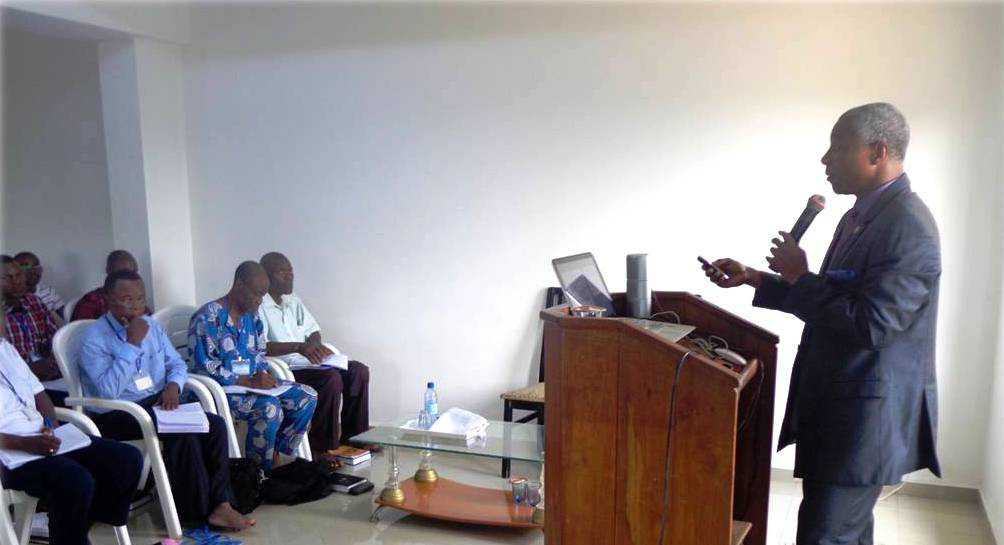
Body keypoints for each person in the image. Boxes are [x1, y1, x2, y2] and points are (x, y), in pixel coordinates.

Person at [703, 103, 940, 545]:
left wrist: (801, 277)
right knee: (842, 535)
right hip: (837, 411)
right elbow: (834, 298)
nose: (825, 159)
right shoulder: (860, 216)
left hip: (863, 422)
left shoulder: (908, 225)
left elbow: (875, 325)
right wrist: (757, 279)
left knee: (825, 537)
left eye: (838, 147)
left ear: (877, 152)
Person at [78, 270, 254, 530]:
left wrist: (174, 385)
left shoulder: (152, 327)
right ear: (107, 298)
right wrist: (132, 345)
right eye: (126, 299)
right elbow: (108, 391)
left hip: (156, 401)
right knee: (182, 430)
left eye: (140, 299)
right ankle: (194, 514)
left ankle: (221, 504)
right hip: (116, 413)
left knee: (214, 425)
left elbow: (176, 364)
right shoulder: (94, 338)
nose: (135, 306)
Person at [0, 308, 143, 545]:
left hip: (41, 436)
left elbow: (40, 394)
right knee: (75, 480)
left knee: (126, 460)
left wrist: (50, 426)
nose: (3, 320)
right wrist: (26, 443)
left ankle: (76, 531)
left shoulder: (5, 349)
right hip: (9, 453)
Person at [188, 261, 318, 470]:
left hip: (251, 386)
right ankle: (258, 472)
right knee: (269, 408)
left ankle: (275, 452)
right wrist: (246, 381)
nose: (260, 300)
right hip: (217, 391)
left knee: (307, 396)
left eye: (263, 295)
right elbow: (204, 366)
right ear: (239, 285)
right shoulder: (208, 317)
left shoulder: (252, 316)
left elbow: (258, 354)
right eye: (257, 294)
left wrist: (264, 376)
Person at [258, 252, 371, 453]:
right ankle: (322, 449)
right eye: (282, 272)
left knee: (358, 371)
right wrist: (299, 347)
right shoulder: (259, 305)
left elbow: (313, 330)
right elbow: (262, 346)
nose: (290, 276)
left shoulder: (292, 300)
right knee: (331, 379)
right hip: (285, 368)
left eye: (291, 271)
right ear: (265, 276)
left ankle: (356, 438)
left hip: (309, 361)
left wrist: (315, 345)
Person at [2, 255, 60, 382]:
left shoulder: (33, 301)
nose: (16, 282)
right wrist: (29, 369)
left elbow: (55, 339)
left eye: (19, 275)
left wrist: (52, 361)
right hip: (13, 385)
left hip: (48, 378)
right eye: (7, 277)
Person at [71, 250, 152, 321]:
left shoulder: (137, 301)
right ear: (108, 270)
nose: (130, 278)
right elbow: (79, 331)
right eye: (123, 273)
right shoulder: (91, 301)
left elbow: (151, 322)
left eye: (134, 272)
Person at [14, 252, 66, 321]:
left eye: (36, 267)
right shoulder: (10, 298)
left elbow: (68, 317)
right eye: (26, 267)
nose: (33, 271)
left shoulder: (48, 292)